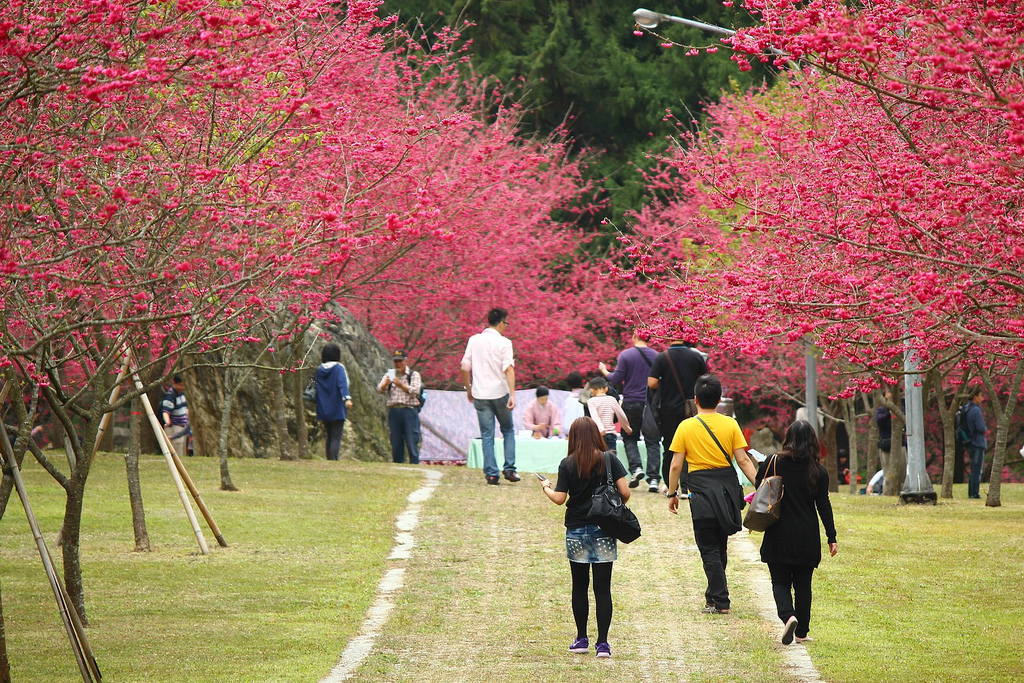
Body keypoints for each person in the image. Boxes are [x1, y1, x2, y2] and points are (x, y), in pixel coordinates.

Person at [667, 374, 758, 614]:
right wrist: (760, 486)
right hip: (727, 490)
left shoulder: (685, 426)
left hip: (700, 491)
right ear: (719, 400)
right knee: (720, 546)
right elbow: (743, 460)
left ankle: (721, 601)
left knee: (709, 549)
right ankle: (712, 597)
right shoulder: (730, 424)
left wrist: (672, 492)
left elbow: (676, 465)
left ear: (695, 400)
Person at [540, 417, 630, 659]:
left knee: (579, 586)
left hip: (577, 529)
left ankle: (581, 638)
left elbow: (560, 499)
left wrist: (546, 487)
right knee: (603, 588)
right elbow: (625, 492)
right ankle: (603, 644)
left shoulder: (568, 463)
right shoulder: (609, 459)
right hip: (604, 529)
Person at [755, 420, 838, 644]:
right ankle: (801, 633)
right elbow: (823, 505)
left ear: (787, 439)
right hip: (806, 536)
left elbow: (759, 487)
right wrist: (832, 537)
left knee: (780, 582)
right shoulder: (818, 471)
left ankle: (788, 616)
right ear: (813, 442)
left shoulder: (773, 462)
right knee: (803, 585)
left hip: (778, 533)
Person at [599, 327, 661, 492]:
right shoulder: (656, 356)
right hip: (650, 403)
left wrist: (605, 371)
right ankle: (654, 478)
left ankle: (636, 469)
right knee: (653, 440)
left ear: (634, 336)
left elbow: (617, 379)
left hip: (631, 402)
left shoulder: (626, 355)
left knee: (629, 436)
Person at [461, 307, 518, 485]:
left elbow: (464, 367)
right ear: (501, 322)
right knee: (507, 430)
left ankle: (491, 474)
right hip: (500, 392)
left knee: (487, 435)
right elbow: (508, 368)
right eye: (506, 323)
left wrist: (468, 388)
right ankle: (509, 468)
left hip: (480, 393)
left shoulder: (474, 340)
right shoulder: (504, 343)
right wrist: (513, 394)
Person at [649, 339, 708, 493]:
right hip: (691, 409)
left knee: (670, 446)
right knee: (691, 446)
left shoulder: (662, 357)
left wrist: (664, 381)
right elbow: (704, 381)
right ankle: (687, 486)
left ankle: (671, 485)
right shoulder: (696, 356)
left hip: (668, 409)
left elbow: (652, 383)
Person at [377, 349, 422, 464]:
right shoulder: (390, 374)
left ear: (405, 362)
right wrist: (385, 384)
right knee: (396, 441)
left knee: (412, 440)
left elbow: (415, 391)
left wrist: (401, 385)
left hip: (409, 410)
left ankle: (414, 464)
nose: (398, 364)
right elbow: (380, 389)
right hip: (394, 410)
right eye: (396, 362)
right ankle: (398, 465)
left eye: (400, 361)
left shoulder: (413, 375)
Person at [315, 343, 353, 461]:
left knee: (329, 435)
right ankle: (333, 459)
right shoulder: (338, 368)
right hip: (336, 406)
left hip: (323, 406)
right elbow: (342, 384)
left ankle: (329, 457)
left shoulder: (319, 369)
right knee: (336, 436)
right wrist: (347, 398)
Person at [585, 376, 632, 453]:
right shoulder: (612, 399)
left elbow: (595, 417)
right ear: (606, 388)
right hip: (611, 434)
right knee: (611, 458)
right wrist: (627, 428)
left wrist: (601, 429)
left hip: (598, 434)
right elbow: (621, 415)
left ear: (591, 390)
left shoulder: (591, 401)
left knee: (599, 457)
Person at [961, 385, 988, 499]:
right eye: (981, 396)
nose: (982, 398)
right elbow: (981, 427)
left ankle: (971, 492)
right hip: (977, 442)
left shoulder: (966, 408)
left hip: (969, 442)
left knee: (973, 469)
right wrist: (985, 428)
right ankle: (974, 493)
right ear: (975, 397)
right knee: (977, 470)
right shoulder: (975, 410)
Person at [161, 375, 189, 457]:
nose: (182, 388)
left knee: (182, 450)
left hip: (183, 426)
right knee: (175, 450)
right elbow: (165, 411)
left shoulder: (183, 394)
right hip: (174, 426)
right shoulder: (170, 395)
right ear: (174, 383)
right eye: (180, 385)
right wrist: (167, 421)